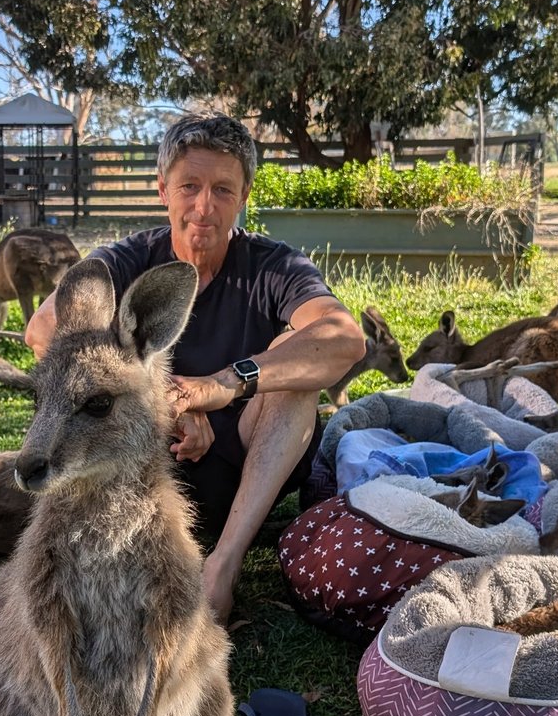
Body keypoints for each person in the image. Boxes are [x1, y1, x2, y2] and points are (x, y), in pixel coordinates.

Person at [24, 112, 365, 622]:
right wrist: (166, 407)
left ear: (244, 196)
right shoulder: (129, 259)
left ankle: (223, 566)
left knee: (297, 373)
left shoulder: (273, 266)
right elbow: (44, 329)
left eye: (223, 190)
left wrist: (224, 385)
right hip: (150, 473)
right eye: (190, 186)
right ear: (164, 189)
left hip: (246, 467)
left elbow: (344, 340)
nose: (205, 206)